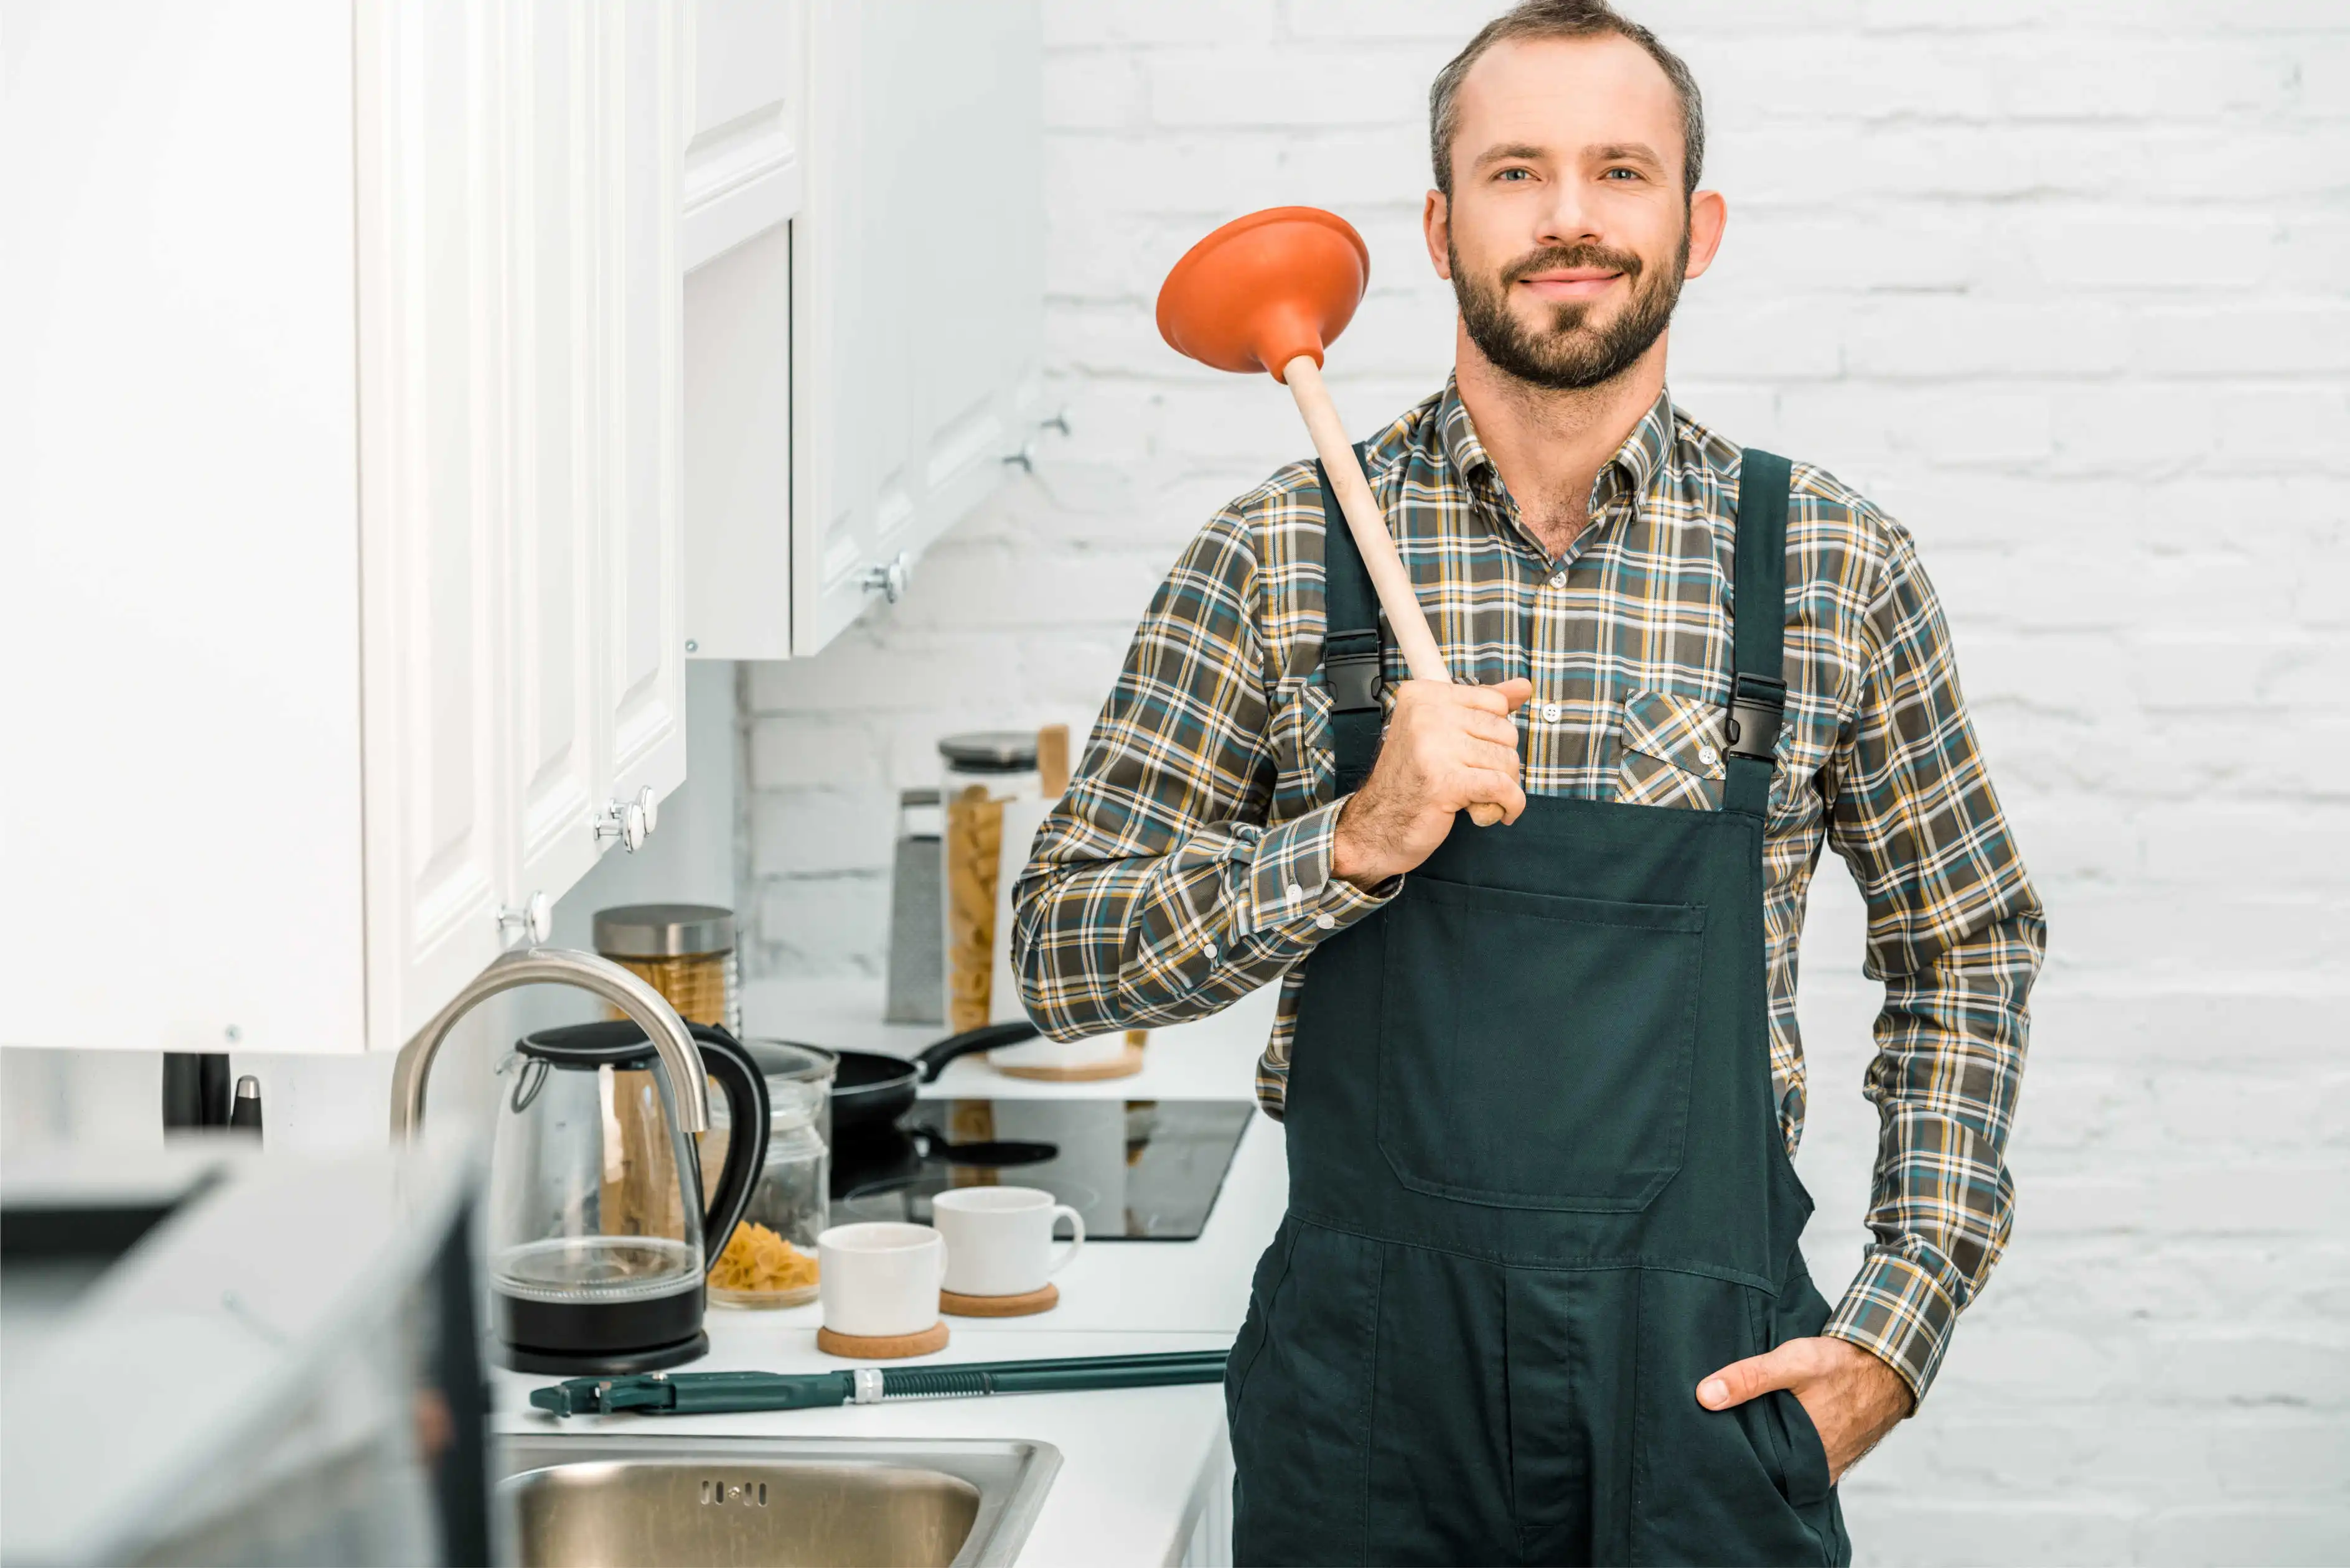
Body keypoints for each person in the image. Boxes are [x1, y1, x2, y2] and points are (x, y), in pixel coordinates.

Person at [1012, 2, 2044, 1561]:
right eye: (1515, 173)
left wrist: (1896, 1332)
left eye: (1618, 172)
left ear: (1694, 225)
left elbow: (1964, 947)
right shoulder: (1278, 558)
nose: (1570, 218)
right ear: (1439, 227)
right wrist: (1348, 844)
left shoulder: (1830, 566)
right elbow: (1062, 953)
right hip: (1367, 1408)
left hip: (1703, 1400)